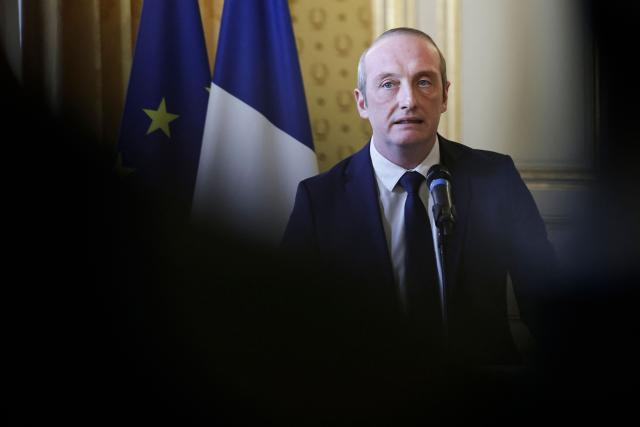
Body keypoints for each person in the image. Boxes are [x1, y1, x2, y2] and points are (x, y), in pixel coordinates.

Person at [282, 27, 556, 369]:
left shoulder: (496, 179)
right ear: (362, 102)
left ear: (444, 96)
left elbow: (548, 304)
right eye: (388, 84)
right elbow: (291, 325)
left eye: (424, 81)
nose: (408, 100)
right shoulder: (319, 200)